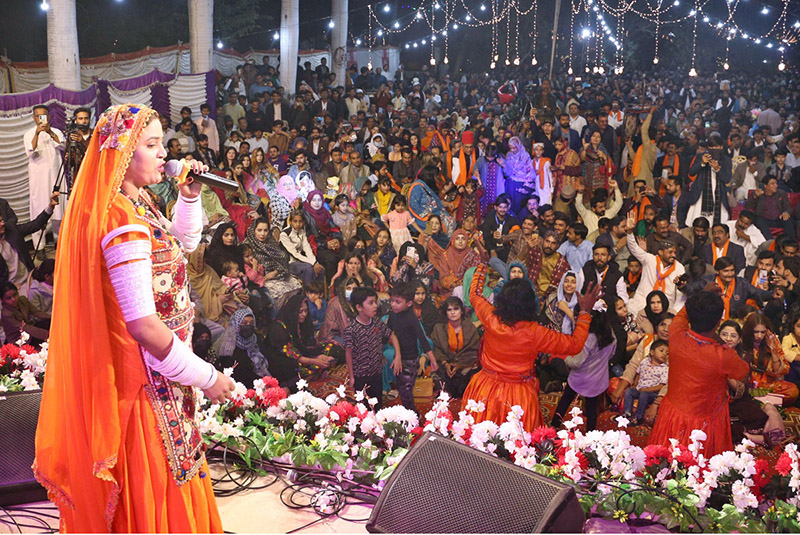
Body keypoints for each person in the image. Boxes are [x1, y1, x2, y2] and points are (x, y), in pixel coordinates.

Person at [35, 104, 233, 531]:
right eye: (152, 144)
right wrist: (207, 376)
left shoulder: (136, 200)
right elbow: (142, 326)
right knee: (156, 499)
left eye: (163, 143)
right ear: (123, 152)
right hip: (145, 388)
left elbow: (182, 242)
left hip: (166, 377)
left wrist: (190, 196)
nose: (166, 153)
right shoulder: (120, 219)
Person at [461, 263, 601, 431]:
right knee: (517, 448)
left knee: (479, 440)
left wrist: (480, 270)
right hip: (518, 396)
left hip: (483, 388)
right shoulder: (536, 333)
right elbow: (575, 344)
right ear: (530, 303)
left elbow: (475, 295)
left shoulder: (490, 318)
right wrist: (584, 313)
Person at [648, 291, 749, 457]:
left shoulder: (676, 334)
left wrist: (702, 293)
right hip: (706, 423)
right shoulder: (723, 355)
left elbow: (684, 312)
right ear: (718, 323)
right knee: (702, 472)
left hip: (672, 414)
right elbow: (743, 371)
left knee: (664, 467)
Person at [551, 308, 617, 431]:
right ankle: (590, 436)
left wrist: (565, 357)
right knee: (592, 409)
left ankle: (554, 425)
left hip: (581, 378)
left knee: (565, 401)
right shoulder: (609, 333)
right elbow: (612, 353)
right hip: (598, 379)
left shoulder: (588, 338)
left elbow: (576, 362)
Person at [344, 287, 400, 409]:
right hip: (360, 376)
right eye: (371, 303)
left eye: (375, 302)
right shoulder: (351, 329)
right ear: (359, 307)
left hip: (376, 373)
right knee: (363, 408)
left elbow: (392, 335)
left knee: (377, 404)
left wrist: (398, 356)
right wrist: (352, 377)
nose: (375, 306)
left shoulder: (377, 323)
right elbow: (348, 353)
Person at [387, 282, 438, 411]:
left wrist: (432, 359)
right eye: (392, 301)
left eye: (397, 302)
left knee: (407, 391)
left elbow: (423, 339)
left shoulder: (411, 318)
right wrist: (397, 355)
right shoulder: (392, 315)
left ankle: (413, 416)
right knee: (401, 387)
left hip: (410, 360)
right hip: (398, 357)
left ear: (409, 303)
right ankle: (408, 414)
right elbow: (390, 333)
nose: (393, 304)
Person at [626, 210, 685, 316]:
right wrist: (630, 232)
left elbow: (681, 295)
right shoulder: (650, 260)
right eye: (670, 252)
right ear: (660, 252)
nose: (674, 255)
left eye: (675, 252)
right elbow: (634, 248)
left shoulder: (679, 268)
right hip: (642, 303)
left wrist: (673, 312)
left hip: (666, 309)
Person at [24, 104, 65, 255]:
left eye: (44, 115)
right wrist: (37, 133)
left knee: (59, 210)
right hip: (38, 179)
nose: (42, 119)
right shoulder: (29, 134)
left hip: (56, 177)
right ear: (34, 117)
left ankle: (59, 242)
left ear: (48, 116)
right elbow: (31, 151)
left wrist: (49, 133)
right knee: (38, 210)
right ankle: (39, 247)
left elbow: (63, 147)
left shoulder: (57, 132)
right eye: (38, 116)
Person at [740, 313, 799, 405]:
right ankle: (765, 400)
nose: (759, 336)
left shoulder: (772, 341)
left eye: (763, 332)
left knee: (793, 390)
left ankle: (761, 399)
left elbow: (778, 372)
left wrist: (773, 351)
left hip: (767, 384)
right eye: (756, 332)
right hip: (747, 383)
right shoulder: (742, 341)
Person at [431, 297, 481, 398]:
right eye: (449, 310)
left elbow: (473, 352)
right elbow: (437, 349)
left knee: (471, 376)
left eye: (456, 309)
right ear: (446, 312)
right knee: (439, 376)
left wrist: (460, 365)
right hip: (445, 364)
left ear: (462, 311)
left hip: (465, 366)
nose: (453, 312)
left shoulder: (470, 328)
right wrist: (446, 364)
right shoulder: (438, 328)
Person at [216, 308, 269, 387]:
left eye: (251, 323)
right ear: (236, 325)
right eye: (244, 323)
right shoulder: (227, 346)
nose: (248, 326)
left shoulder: (257, 340)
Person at [622, 339, 669, 425]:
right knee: (629, 391)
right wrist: (635, 384)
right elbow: (638, 373)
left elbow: (661, 386)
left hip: (652, 393)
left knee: (644, 395)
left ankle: (638, 417)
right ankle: (626, 414)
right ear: (651, 352)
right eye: (661, 351)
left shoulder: (664, 368)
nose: (664, 354)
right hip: (640, 389)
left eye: (667, 353)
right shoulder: (645, 362)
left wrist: (647, 390)